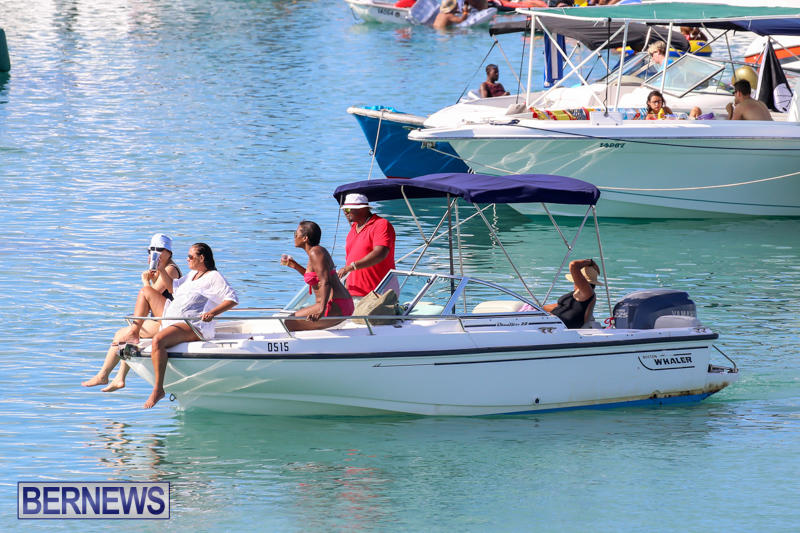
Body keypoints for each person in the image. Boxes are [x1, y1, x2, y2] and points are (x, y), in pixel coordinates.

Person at [119, 242, 238, 408]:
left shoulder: (214, 277)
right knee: (145, 291)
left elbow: (232, 299)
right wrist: (161, 269)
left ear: (201, 258)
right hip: (172, 316)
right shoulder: (192, 274)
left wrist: (212, 313)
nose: (187, 259)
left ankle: (158, 389)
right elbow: (172, 289)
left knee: (158, 340)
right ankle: (134, 332)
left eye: (190, 256)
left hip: (193, 325)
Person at [82, 234, 182, 392]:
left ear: (169, 252)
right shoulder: (162, 269)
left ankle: (104, 375)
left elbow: (150, 294)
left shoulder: (170, 269)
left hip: (167, 322)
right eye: (151, 250)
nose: (154, 253)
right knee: (128, 335)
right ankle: (119, 378)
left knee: (122, 334)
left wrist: (145, 281)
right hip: (160, 319)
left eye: (159, 250)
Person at [283, 221, 354, 331]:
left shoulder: (315, 252)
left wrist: (322, 309)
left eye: (296, 234)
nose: (294, 237)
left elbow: (325, 281)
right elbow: (316, 278)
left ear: (305, 238)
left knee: (290, 322)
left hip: (335, 304)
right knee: (292, 322)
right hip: (337, 303)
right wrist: (295, 266)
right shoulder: (315, 252)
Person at [337, 194, 396, 299]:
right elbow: (350, 258)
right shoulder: (353, 228)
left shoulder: (381, 224)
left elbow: (380, 253)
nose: (345, 212)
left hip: (377, 293)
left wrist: (351, 267)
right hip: (352, 293)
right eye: (344, 209)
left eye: (348, 209)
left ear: (362, 209)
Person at [543, 259, 600, 329]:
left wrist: (591, 262)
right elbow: (559, 307)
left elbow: (573, 265)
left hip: (559, 326)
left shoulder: (587, 293)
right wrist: (537, 308)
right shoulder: (576, 294)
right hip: (552, 321)